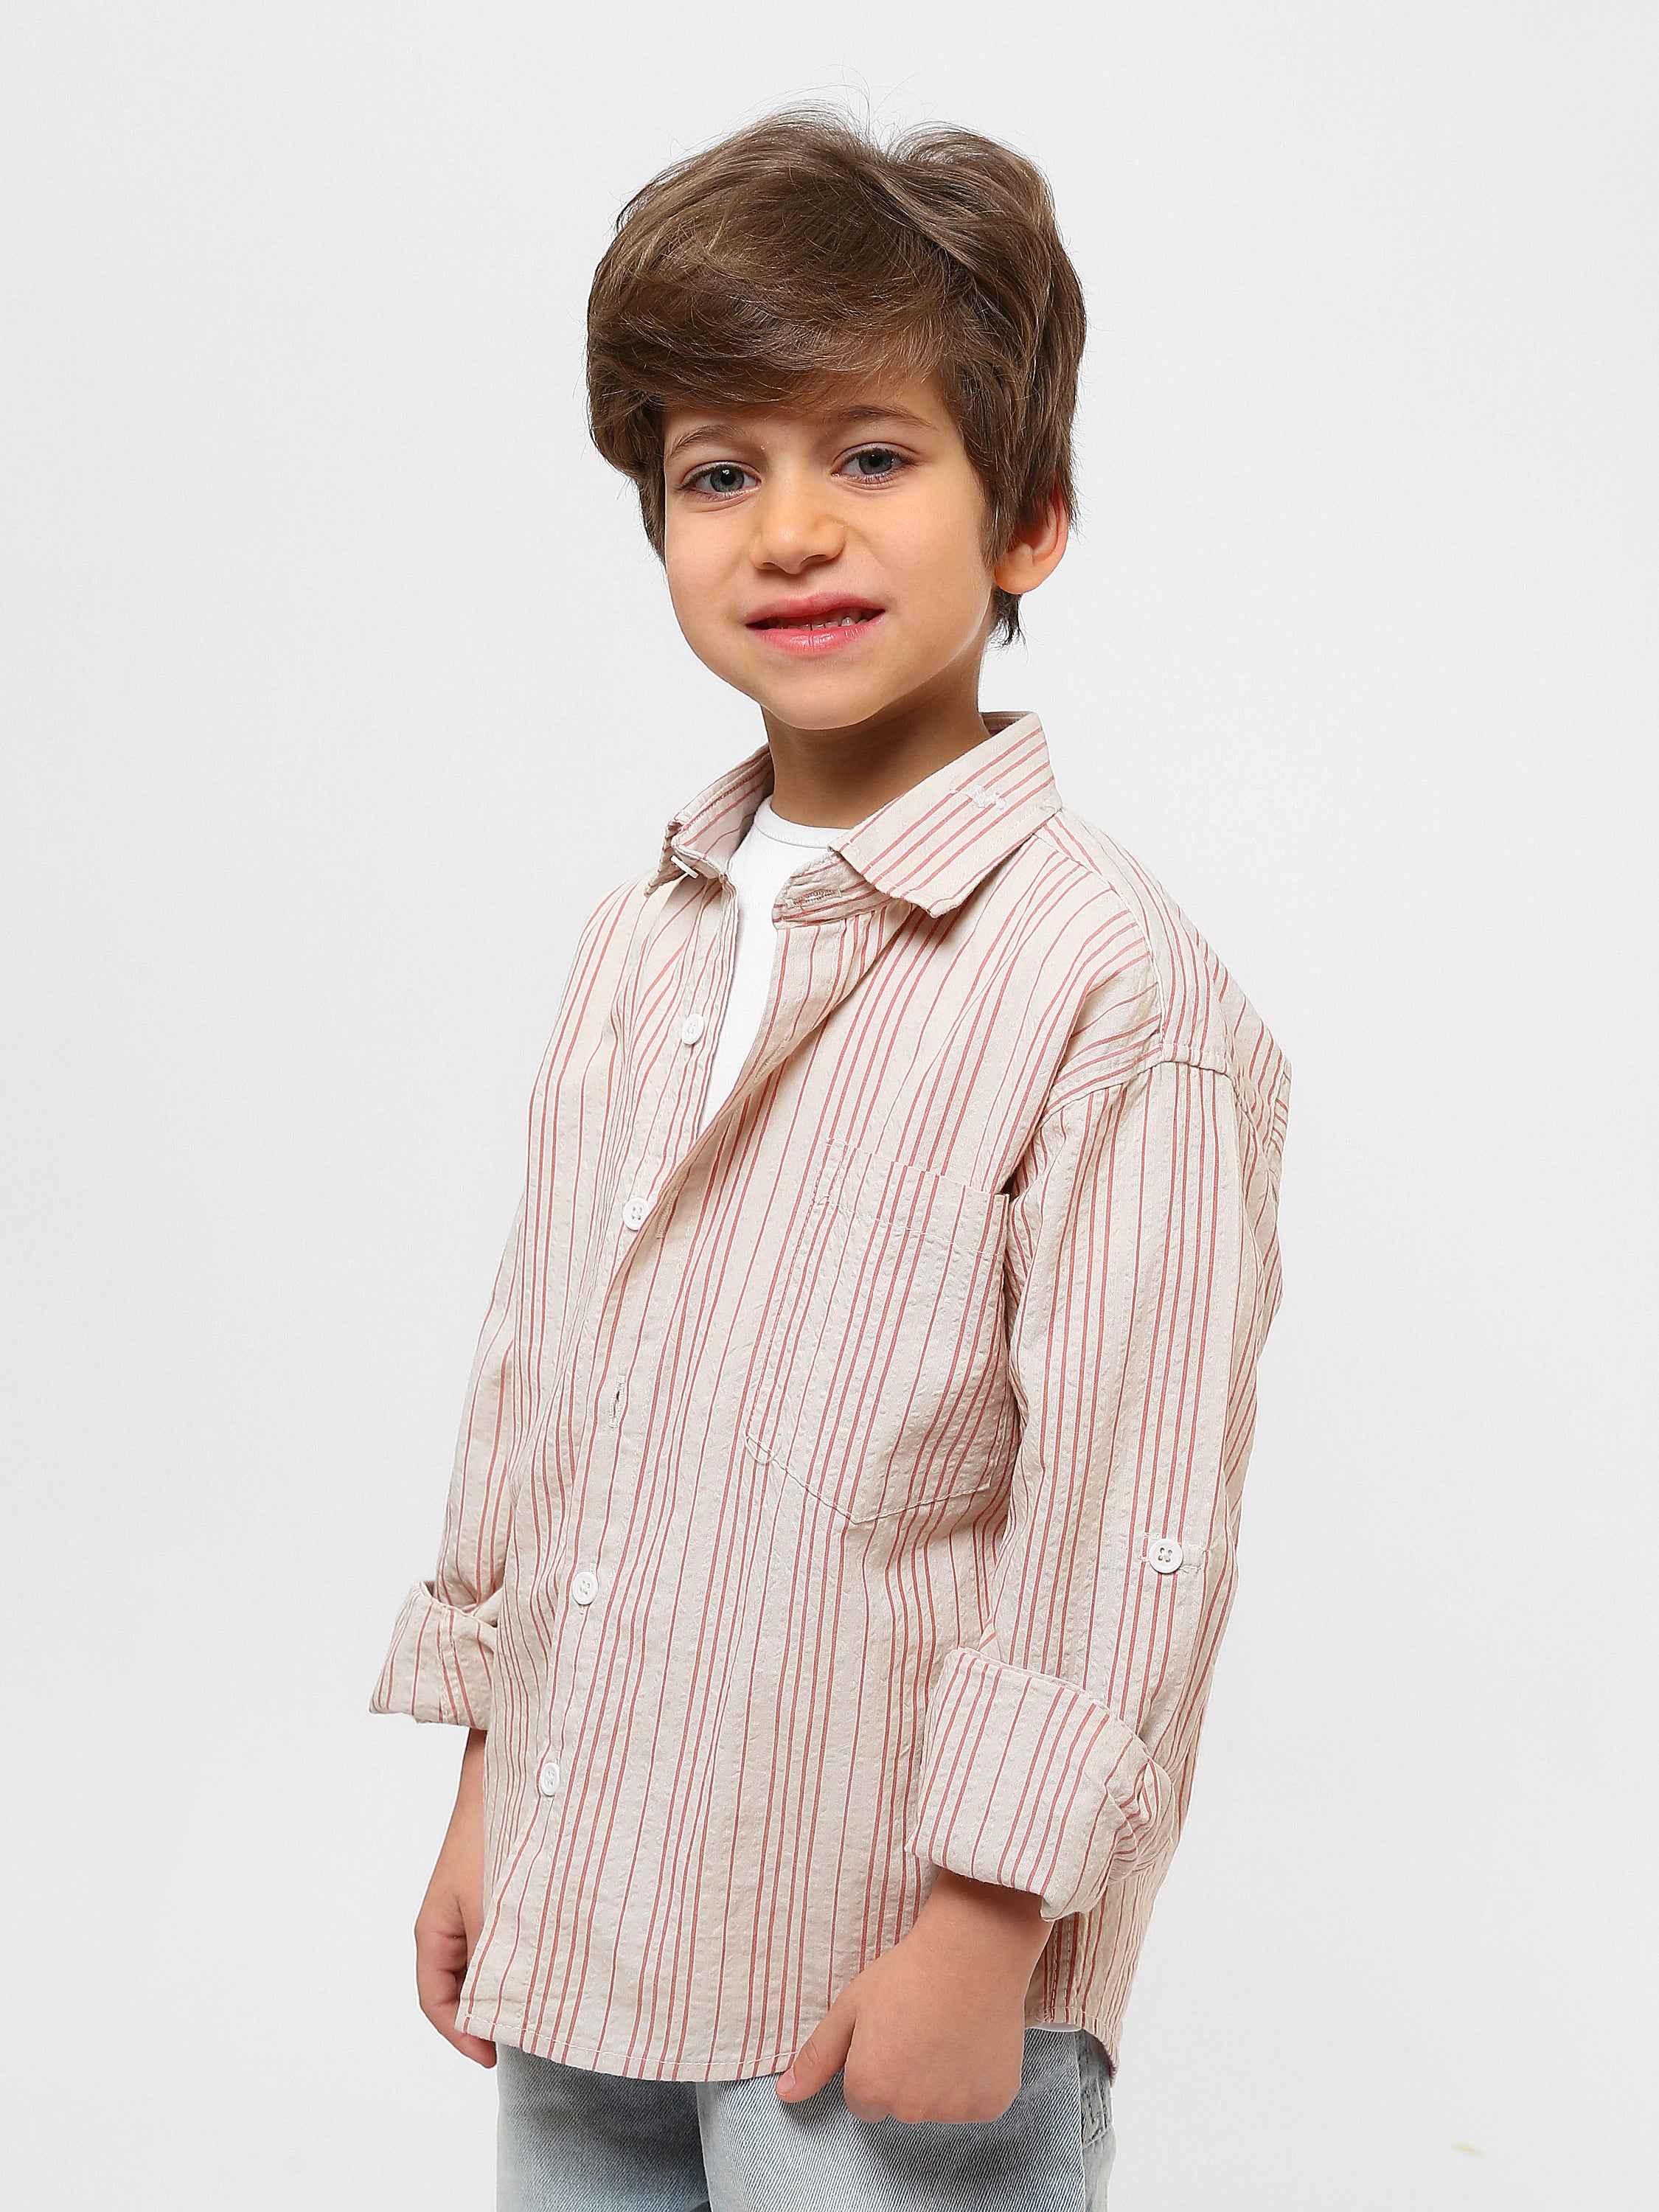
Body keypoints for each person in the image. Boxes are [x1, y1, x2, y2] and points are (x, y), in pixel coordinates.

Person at [370, 103, 1293, 2211]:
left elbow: (1128, 1520)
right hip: (597, 1917)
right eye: (721, 473)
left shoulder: (1112, 992)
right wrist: (497, 1781)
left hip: (882, 1964)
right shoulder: (638, 944)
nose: (789, 530)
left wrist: (986, 1928)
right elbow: (546, 1387)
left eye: (870, 458)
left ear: (1026, 517)